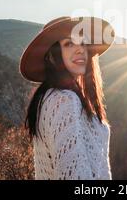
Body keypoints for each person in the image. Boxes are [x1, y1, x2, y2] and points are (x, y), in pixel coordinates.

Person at [19, 16, 115, 180]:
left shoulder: (52, 98)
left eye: (83, 42)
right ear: (51, 56)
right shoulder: (63, 100)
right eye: (69, 43)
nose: (80, 49)